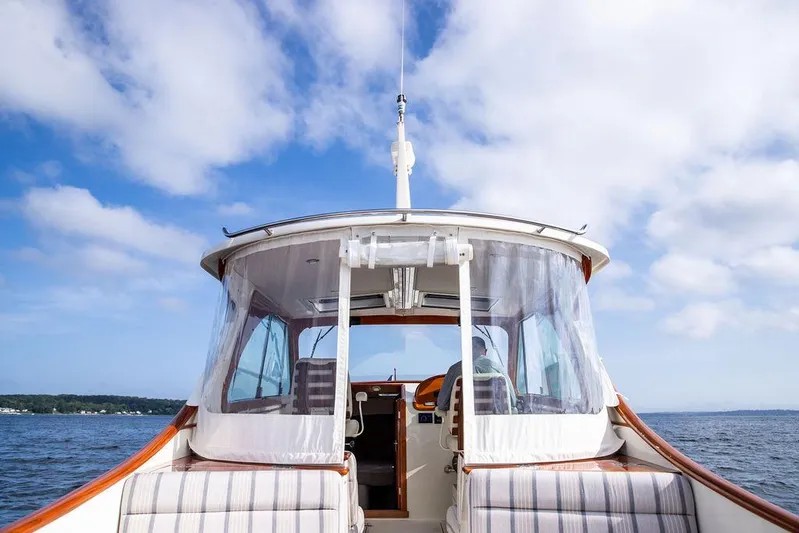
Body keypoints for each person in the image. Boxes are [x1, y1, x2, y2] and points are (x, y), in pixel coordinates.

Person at [436, 336, 516, 412]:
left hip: (463, 424)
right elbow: (512, 401)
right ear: (485, 351)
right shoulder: (498, 369)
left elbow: (442, 404)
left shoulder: (454, 370)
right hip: (494, 424)